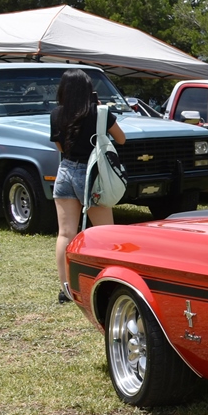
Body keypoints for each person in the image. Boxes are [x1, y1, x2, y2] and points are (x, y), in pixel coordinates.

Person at [50, 69, 125, 304]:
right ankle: (111, 285)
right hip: (92, 174)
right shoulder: (100, 113)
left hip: (65, 172)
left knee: (65, 233)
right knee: (105, 232)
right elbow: (121, 139)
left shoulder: (56, 114)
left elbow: (60, 149)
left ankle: (65, 289)